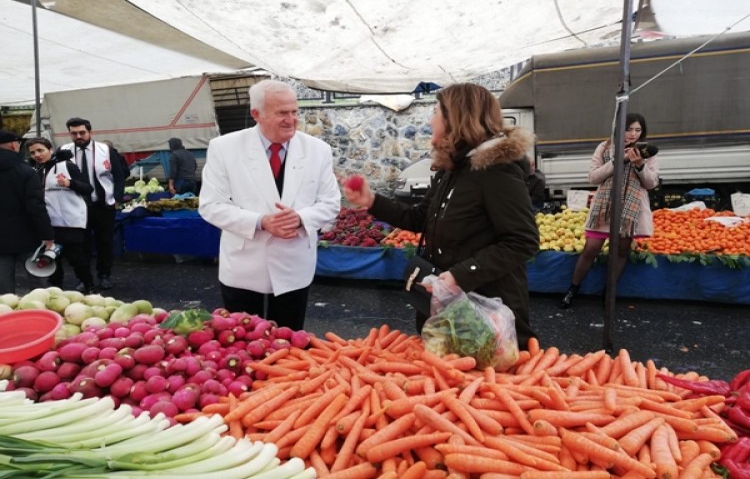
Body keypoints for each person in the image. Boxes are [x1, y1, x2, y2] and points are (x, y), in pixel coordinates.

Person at [343, 83, 540, 348]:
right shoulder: (454, 168)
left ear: (455, 119)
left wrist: (461, 274)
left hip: (485, 314)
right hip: (449, 310)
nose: (429, 120)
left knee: (482, 386)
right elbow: (419, 218)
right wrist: (372, 201)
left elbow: (522, 240)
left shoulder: (496, 170)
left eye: (435, 112)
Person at [198, 80, 340, 330]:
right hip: (244, 265)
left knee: (288, 344)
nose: (291, 120)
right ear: (257, 114)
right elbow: (211, 205)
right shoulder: (224, 148)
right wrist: (260, 221)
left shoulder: (318, 150)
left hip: (294, 264)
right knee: (241, 342)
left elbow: (330, 203)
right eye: (282, 113)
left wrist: (299, 218)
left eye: (295, 112)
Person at [559, 113, 659, 309]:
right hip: (604, 207)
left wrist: (639, 165)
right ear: (619, 128)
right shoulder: (605, 147)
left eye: (638, 130)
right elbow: (593, 177)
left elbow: (651, 183)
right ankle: (572, 289)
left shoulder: (648, 151)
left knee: (621, 251)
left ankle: (609, 293)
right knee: (591, 248)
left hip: (630, 209)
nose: (633, 134)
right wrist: (617, 161)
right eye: (629, 129)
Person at [59, 118, 122, 291]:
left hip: (102, 205)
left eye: (82, 132)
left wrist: (116, 198)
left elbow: (118, 175)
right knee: (81, 245)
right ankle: (84, 278)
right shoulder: (64, 151)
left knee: (105, 242)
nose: (78, 136)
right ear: (69, 133)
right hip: (76, 206)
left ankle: (104, 275)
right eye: (74, 133)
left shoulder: (105, 150)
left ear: (90, 132)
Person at [26, 138, 97, 293]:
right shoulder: (34, 171)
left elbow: (88, 188)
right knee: (51, 257)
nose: (37, 155)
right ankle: (56, 289)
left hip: (70, 220)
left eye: (40, 150)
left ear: (50, 150)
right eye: (33, 152)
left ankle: (89, 286)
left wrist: (70, 183)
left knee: (76, 258)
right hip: (48, 222)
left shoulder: (67, 165)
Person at [0, 130, 55, 294]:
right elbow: (36, 206)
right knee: (37, 281)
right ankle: (40, 315)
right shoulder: (26, 171)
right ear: (13, 145)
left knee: (3, 289)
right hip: (28, 234)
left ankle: (6, 317)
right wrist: (47, 234)